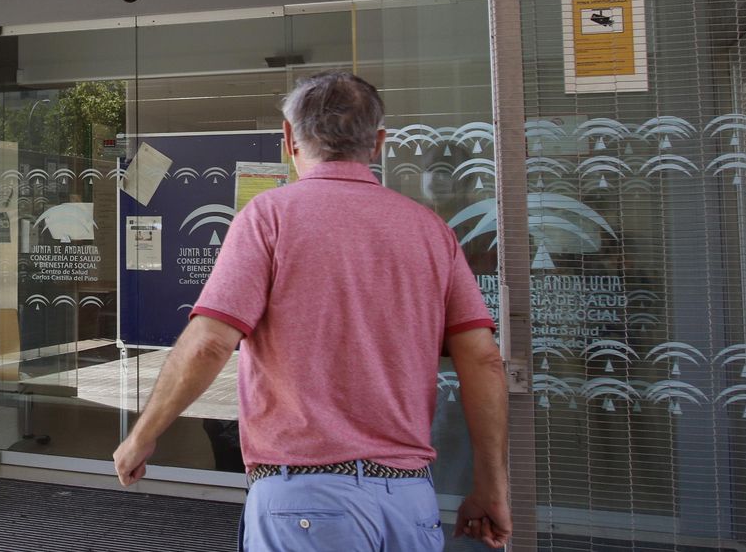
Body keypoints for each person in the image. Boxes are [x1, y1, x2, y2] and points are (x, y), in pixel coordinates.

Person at [112, 71, 511, 550]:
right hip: (409, 503)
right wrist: (491, 484)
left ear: (288, 139)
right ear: (378, 143)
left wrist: (143, 435)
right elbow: (484, 360)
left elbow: (210, 342)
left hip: (302, 498)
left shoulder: (268, 216)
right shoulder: (430, 230)